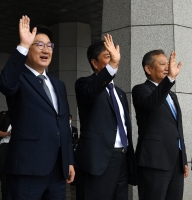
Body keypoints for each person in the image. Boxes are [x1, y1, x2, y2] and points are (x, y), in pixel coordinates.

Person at [0, 15, 75, 199]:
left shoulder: (58, 85)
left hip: (57, 170)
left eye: (49, 45)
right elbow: (5, 84)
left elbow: (63, 124)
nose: (45, 49)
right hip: (26, 169)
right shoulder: (19, 78)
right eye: (39, 45)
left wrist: (69, 160)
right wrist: (23, 45)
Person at [74, 34, 137, 200]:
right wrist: (112, 66)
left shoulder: (121, 94)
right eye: (108, 56)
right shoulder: (84, 84)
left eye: (115, 57)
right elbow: (91, 91)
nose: (114, 60)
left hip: (121, 159)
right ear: (94, 63)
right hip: (98, 160)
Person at [132, 49, 189, 200]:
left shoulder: (172, 96)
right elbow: (152, 103)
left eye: (168, 64)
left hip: (175, 162)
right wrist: (169, 78)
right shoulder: (140, 90)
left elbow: (178, 129)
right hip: (154, 161)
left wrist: (183, 159)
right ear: (148, 68)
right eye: (163, 64)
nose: (167, 67)